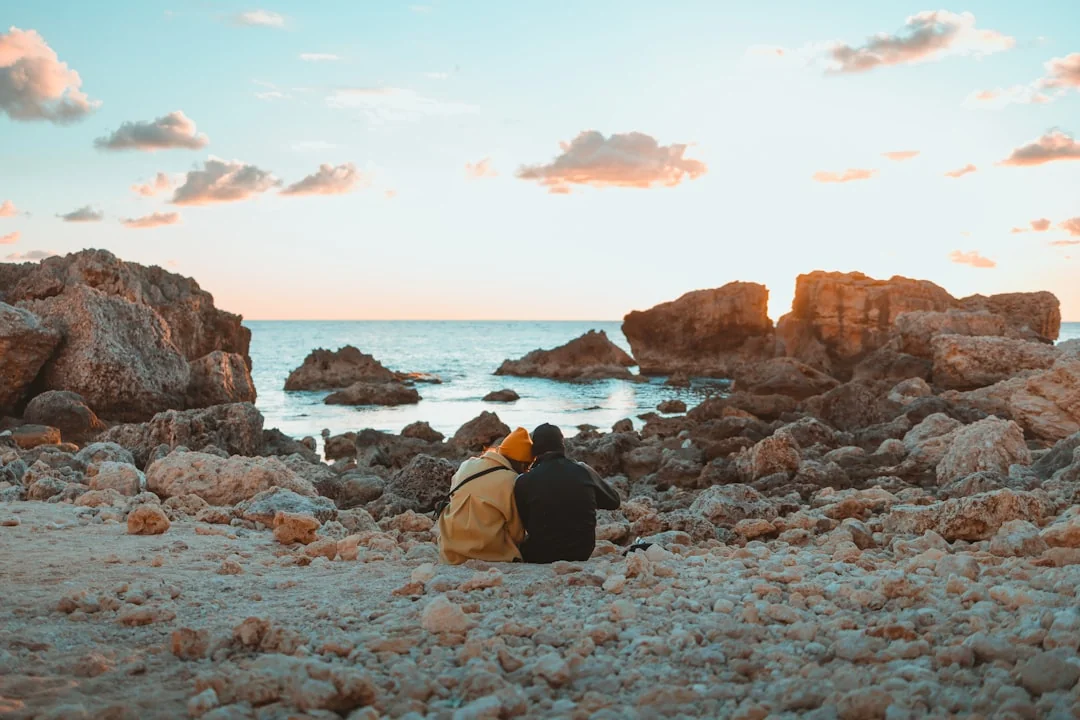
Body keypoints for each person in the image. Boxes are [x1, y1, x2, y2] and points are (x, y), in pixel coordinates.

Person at [514, 423, 621, 563]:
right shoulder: (583, 470)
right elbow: (614, 501)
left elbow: (525, 522)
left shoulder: (524, 481)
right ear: (562, 446)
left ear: (534, 450)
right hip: (582, 551)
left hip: (540, 554)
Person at [437, 427, 532, 565]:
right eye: (527, 467)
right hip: (486, 553)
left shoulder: (467, 464)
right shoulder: (511, 481)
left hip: (450, 548)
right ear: (523, 464)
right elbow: (516, 533)